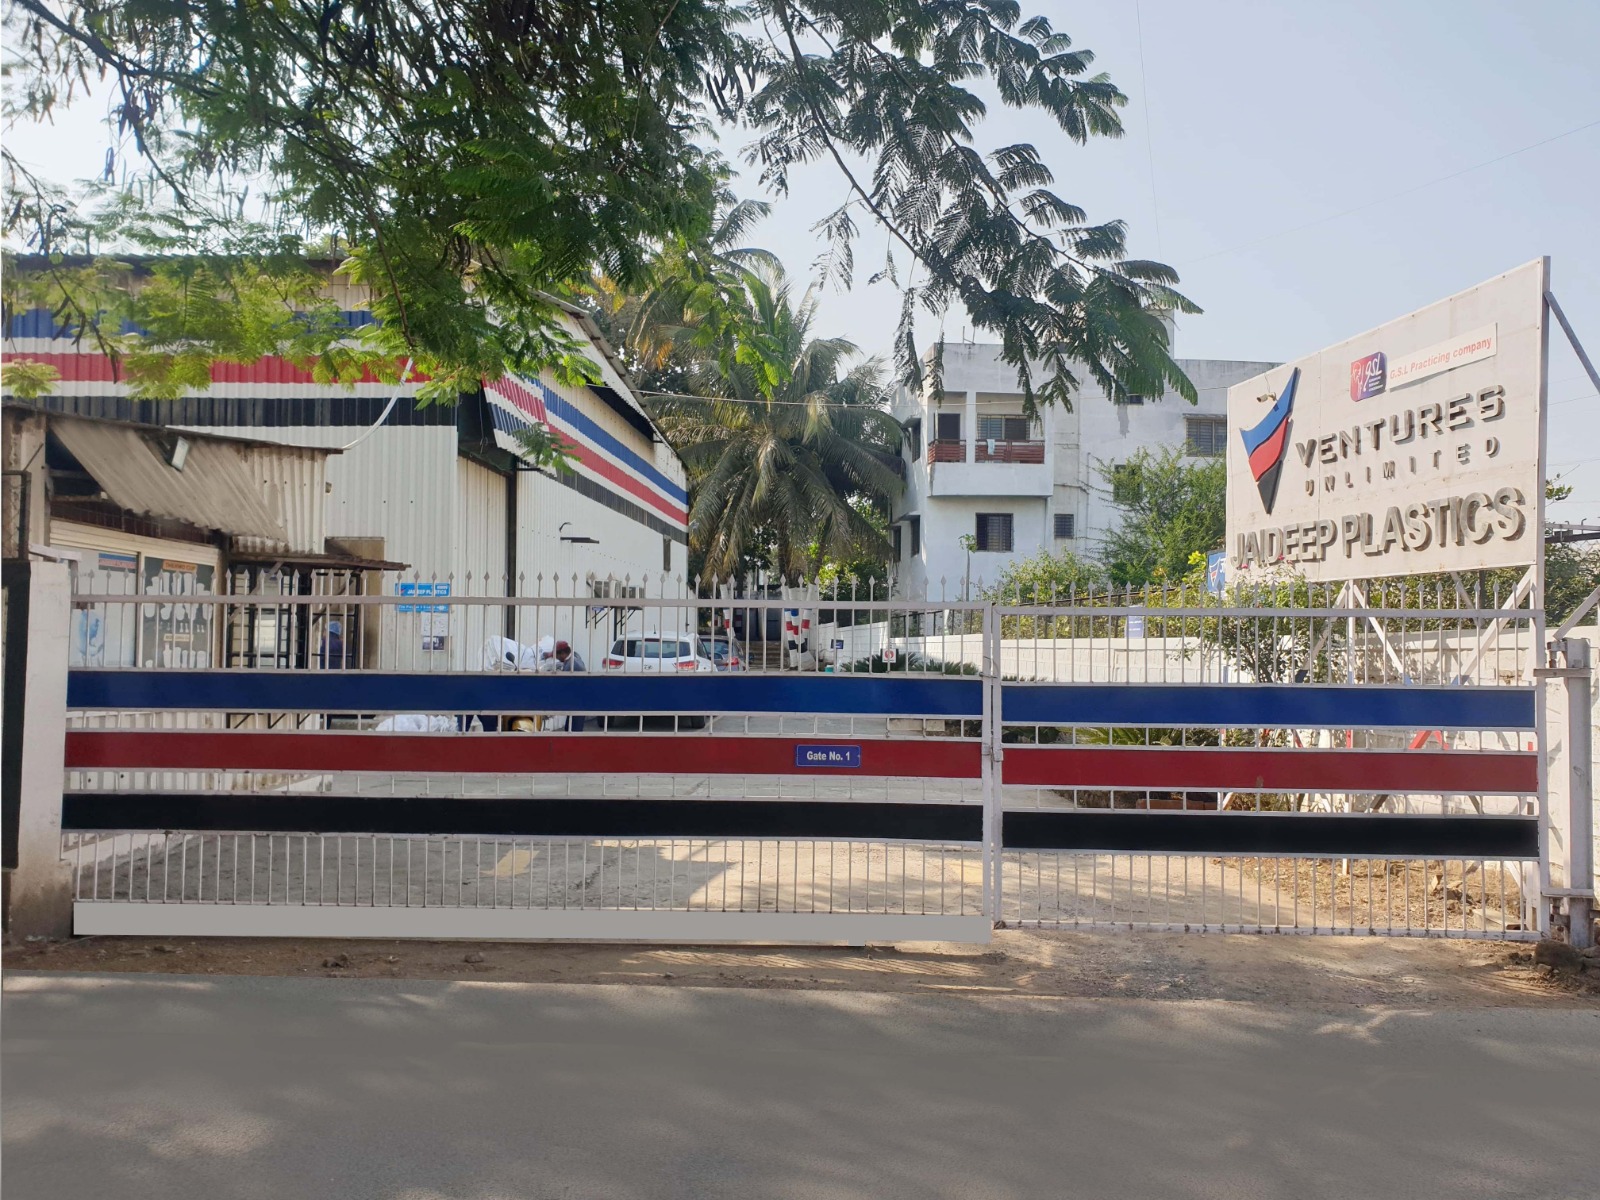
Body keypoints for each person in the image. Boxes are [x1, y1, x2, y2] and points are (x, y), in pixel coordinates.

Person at [552, 640, 586, 732]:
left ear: (563, 653)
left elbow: (565, 685)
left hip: (577, 704)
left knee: (574, 731)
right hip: (578, 703)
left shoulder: (571, 665)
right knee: (570, 729)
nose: (557, 658)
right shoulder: (575, 659)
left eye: (557, 655)